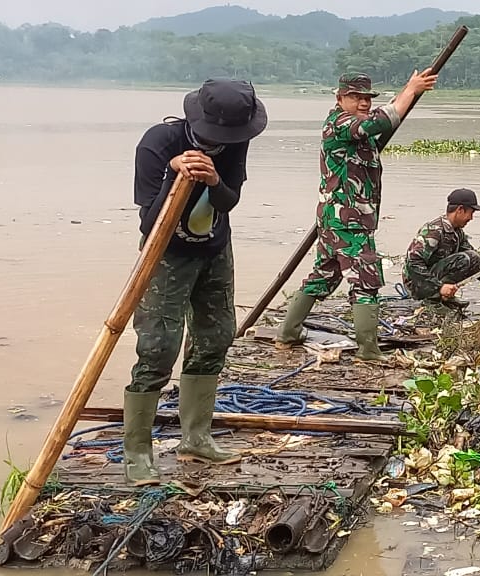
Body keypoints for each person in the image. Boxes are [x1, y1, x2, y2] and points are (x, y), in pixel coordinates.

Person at [125, 78, 268, 486]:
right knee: (157, 346)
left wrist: (212, 181)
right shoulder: (158, 143)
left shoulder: (236, 141)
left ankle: (196, 437)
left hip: (214, 249)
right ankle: (137, 452)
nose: (223, 140)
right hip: (166, 254)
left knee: (216, 335)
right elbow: (149, 222)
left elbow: (229, 201)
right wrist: (175, 176)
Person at [274, 69, 438, 359]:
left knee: (322, 276)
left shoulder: (358, 126)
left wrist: (409, 91)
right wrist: (410, 89)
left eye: (367, 98)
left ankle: (287, 334)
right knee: (366, 283)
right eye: (356, 97)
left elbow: (383, 120)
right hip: (348, 221)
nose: (363, 103)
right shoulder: (341, 124)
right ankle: (369, 350)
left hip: (335, 219)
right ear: (340, 98)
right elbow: (381, 119)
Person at [402, 188, 480, 312]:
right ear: (460, 210)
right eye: (471, 213)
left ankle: (443, 298)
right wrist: (439, 287)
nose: (471, 218)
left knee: (470, 257)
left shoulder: (457, 232)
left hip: (432, 280)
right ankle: (432, 301)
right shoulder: (434, 230)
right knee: (464, 259)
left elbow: (474, 259)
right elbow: (413, 262)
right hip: (417, 285)